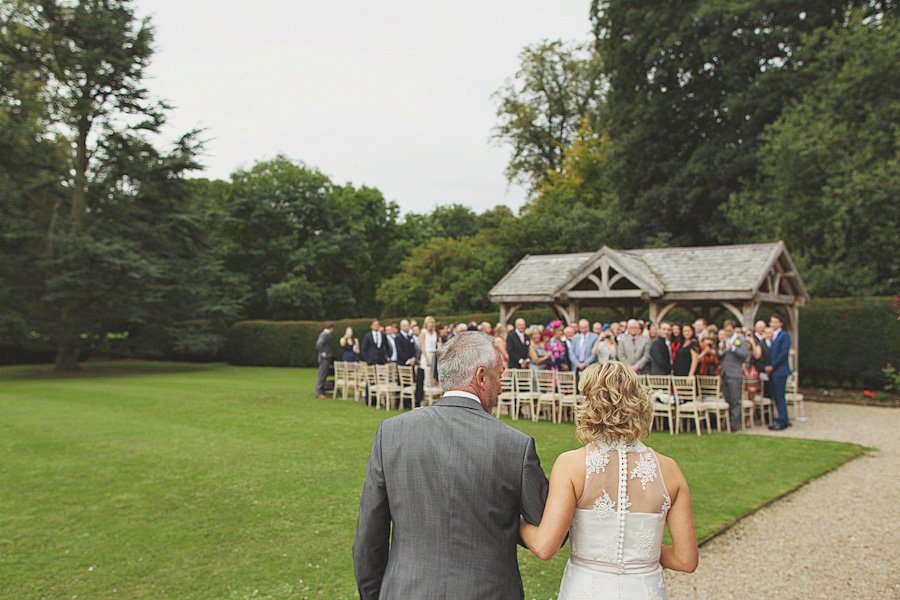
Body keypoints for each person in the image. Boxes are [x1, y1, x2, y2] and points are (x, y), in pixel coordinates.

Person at [353, 332, 551, 598]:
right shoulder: (515, 445)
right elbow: (549, 529)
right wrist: (507, 516)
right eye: (500, 376)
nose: (501, 386)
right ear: (481, 377)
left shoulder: (392, 433)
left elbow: (368, 538)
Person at [519, 361, 698, 598]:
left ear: (590, 404)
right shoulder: (669, 470)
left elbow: (544, 546)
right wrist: (642, 552)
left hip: (586, 589)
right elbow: (686, 560)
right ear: (639, 403)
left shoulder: (572, 465)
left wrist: (516, 521)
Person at [718, 320, 748, 431]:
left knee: (735, 400)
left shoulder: (740, 340)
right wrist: (721, 349)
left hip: (735, 374)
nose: (727, 333)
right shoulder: (723, 340)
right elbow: (720, 356)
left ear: (734, 329)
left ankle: (735, 424)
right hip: (724, 373)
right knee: (728, 399)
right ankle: (727, 422)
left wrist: (734, 348)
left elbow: (744, 355)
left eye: (729, 331)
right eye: (725, 331)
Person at [766, 313, 793, 431]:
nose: (772, 324)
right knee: (776, 396)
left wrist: (772, 365)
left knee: (779, 396)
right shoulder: (773, 336)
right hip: (773, 371)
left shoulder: (784, 336)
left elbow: (783, 354)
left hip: (780, 371)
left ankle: (782, 421)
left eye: (775, 322)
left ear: (780, 324)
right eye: (771, 322)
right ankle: (783, 418)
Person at [315, 321, 335, 398]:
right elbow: (318, 344)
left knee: (324, 375)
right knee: (322, 375)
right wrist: (322, 352)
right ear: (331, 328)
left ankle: (322, 392)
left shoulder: (326, 335)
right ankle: (319, 392)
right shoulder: (324, 335)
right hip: (324, 358)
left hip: (326, 358)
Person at [419, 316, 438, 387]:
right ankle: (426, 392)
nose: (430, 324)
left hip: (434, 354)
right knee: (426, 373)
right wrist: (426, 359)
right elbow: (423, 347)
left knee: (432, 373)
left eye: (432, 322)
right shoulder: (423, 332)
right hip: (426, 354)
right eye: (429, 322)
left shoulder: (435, 332)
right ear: (426, 323)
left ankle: (431, 391)